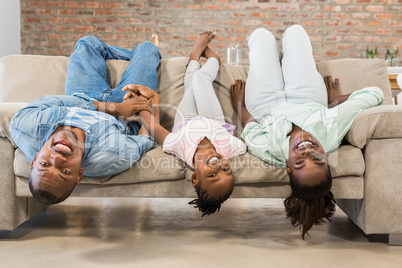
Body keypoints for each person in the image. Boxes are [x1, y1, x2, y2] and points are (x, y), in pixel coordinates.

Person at [230, 25, 384, 239]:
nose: (307, 153)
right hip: (308, 96)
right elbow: (375, 94)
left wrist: (240, 107)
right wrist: (337, 101)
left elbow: (251, 129)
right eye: (318, 160)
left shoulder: (270, 151)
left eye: (300, 163)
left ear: (288, 167)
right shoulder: (331, 132)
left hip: (264, 104)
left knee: (261, 36)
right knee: (295, 33)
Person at [10, 35, 161, 205]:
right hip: (127, 111)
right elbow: (145, 139)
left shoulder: (23, 125)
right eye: (65, 171)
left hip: (86, 96)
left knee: (87, 43)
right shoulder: (113, 156)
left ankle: (131, 56)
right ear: (79, 175)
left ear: (35, 158)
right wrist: (151, 103)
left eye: (45, 163)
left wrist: (114, 108)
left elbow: (57, 101)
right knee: (148, 49)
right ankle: (142, 53)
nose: (58, 158)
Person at [129, 31, 246, 216]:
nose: (219, 166)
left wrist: (139, 103)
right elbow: (244, 145)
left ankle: (194, 58)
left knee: (192, 84)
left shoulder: (179, 147)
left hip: (186, 121)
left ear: (194, 178)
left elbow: (153, 127)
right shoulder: (233, 149)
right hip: (214, 120)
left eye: (213, 175)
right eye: (226, 169)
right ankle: (213, 60)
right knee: (200, 79)